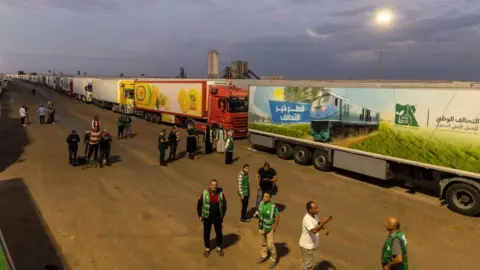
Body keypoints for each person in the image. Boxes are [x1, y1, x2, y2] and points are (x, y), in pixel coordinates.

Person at [197, 179, 227, 257]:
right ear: (210, 185)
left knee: (219, 233)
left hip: (217, 217)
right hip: (207, 217)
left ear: (217, 186)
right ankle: (207, 248)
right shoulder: (205, 194)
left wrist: (222, 214)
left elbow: (224, 204)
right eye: (212, 184)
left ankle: (218, 247)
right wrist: (200, 215)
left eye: (215, 185)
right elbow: (199, 205)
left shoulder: (220, 194)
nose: (214, 186)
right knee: (206, 233)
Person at [299, 201, 332, 270]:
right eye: (315, 208)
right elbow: (314, 231)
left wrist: (325, 228)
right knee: (309, 265)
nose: (318, 209)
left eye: (317, 207)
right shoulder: (307, 219)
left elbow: (318, 223)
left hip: (311, 245)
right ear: (310, 210)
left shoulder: (315, 215)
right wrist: (323, 222)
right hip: (306, 246)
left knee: (306, 264)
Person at [257, 192, 280, 269]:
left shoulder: (273, 207)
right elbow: (259, 212)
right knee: (263, 243)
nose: (264, 198)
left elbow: (277, 216)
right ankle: (264, 256)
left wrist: (275, 227)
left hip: (269, 229)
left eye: (266, 197)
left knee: (270, 245)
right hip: (261, 227)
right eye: (264, 196)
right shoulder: (261, 203)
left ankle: (274, 259)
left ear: (270, 198)